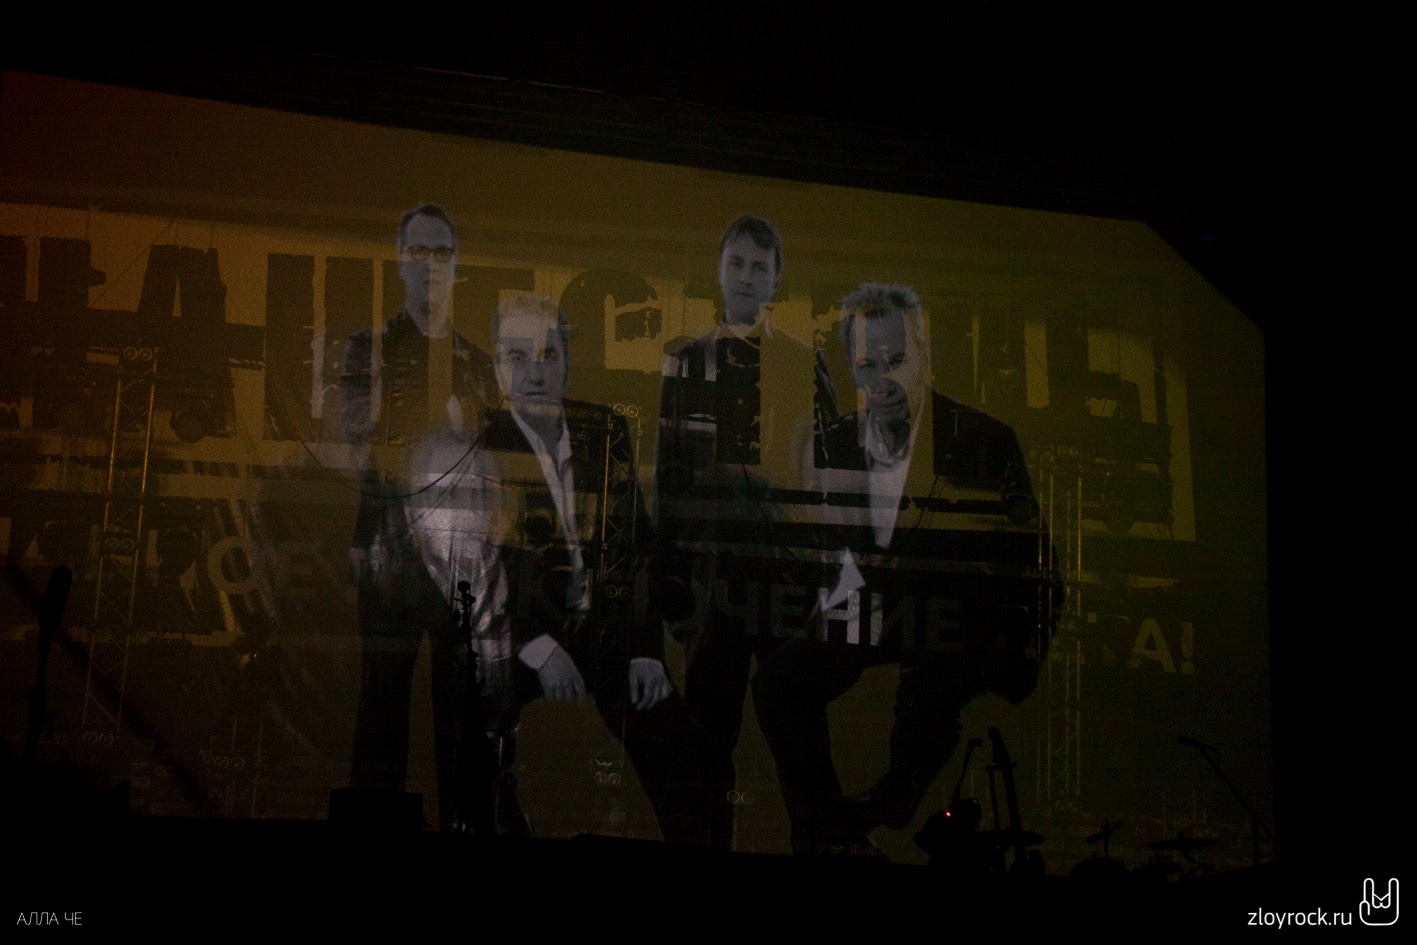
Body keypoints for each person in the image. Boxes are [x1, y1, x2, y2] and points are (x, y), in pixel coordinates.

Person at [406, 293, 732, 846]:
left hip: (603, 635)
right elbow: (474, 565)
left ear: (567, 361)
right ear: (496, 365)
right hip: (511, 638)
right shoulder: (477, 440)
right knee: (475, 719)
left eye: (548, 355)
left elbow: (637, 547)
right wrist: (536, 645)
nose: (534, 373)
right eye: (517, 357)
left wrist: (644, 650)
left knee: (699, 762)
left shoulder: (603, 431)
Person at [750, 283, 1056, 855]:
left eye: (896, 361)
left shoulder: (985, 440)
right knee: (775, 684)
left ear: (924, 357)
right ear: (851, 367)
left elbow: (1035, 565)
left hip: (952, 613)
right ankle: (829, 831)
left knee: (931, 675)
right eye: (868, 366)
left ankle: (890, 799)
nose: (883, 380)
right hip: (869, 607)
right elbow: (823, 551)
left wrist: (1018, 644)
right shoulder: (830, 443)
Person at [654, 215, 836, 830]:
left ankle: (823, 848)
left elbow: (830, 478)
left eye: (759, 267)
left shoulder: (803, 364)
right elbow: (670, 480)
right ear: (719, 269)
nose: (746, 277)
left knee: (803, 742)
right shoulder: (686, 362)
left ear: (776, 279)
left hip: (789, 580)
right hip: (713, 581)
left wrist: (824, 577)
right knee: (706, 743)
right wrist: (673, 585)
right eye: (737, 263)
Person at [342, 204, 498, 827]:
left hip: (460, 562)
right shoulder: (369, 348)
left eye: (442, 253)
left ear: (457, 265)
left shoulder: (478, 364)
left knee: (460, 711)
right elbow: (361, 447)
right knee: (382, 702)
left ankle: (463, 825)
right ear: (400, 261)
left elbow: (492, 472)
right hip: (391, 552)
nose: (431, 264)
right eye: (420, 251)